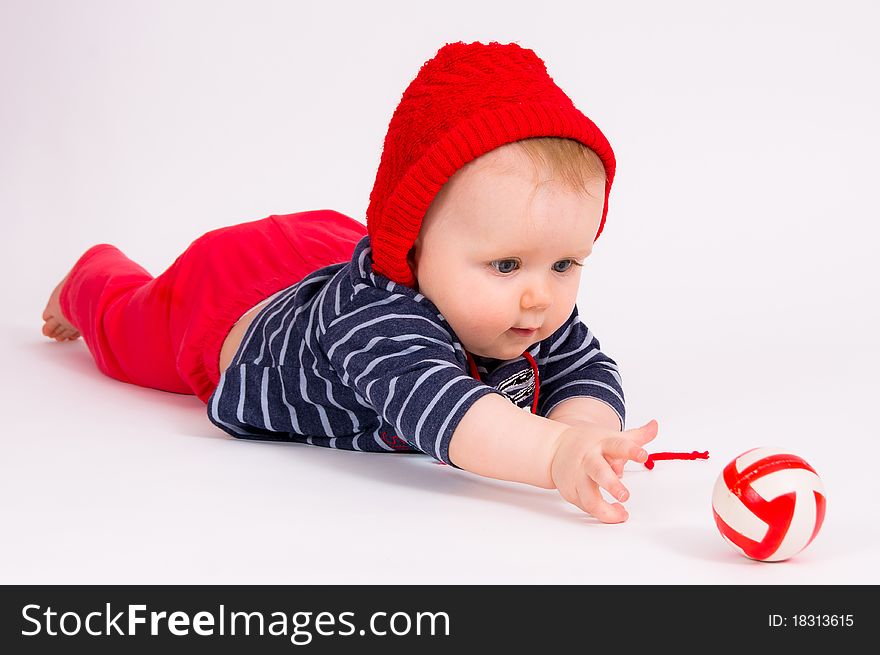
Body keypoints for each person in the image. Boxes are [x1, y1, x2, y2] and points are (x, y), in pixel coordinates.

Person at [41, 40, 659, 523]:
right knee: (127, 328)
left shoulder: (525, 306)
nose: (540, 295)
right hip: (228, 300)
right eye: (506, 265)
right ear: (413, 249)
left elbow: (584, 369)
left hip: (328, 254)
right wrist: (553, 454)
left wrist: (585, 433)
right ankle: (91, 277)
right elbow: (451, 413)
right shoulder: (380, 326)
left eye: (565, 264)